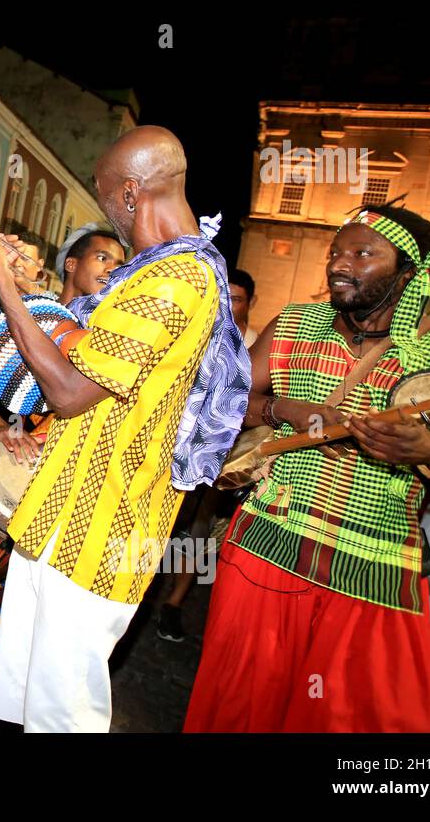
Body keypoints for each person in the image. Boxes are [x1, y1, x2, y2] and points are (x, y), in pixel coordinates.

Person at [184, 204, 430, 732]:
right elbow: (219, 401)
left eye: (363, 254)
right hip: (267, 546)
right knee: (239, 707)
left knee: (356, 721)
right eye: (336, 252)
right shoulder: (295, 322)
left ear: (409, 271)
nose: (340, 264)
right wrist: (281, 411)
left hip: (377, 568)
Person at [0, 126, 249, 732]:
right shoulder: (156, 272)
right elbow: (91, 357)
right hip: (61, 512)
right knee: (20, 700)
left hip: (106, 532)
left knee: (61, 716)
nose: (109, 219)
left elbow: (68, 392)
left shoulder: (178, 280)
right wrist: (32, 288)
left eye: (103, 200)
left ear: (128, 194)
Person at [0, 229, 125, 729]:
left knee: (26, 599)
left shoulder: (104, 328)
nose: (111, 269)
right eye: (101, 257)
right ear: (69, 264)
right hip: (4, 454)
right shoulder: (10, 308)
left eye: (120, 262)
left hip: (60, 485)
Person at [155, 266, 259, 642]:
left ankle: (175, 603)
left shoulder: (258, 346)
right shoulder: (196, 332)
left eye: (238, 298)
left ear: (251, 302)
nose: (228, 304)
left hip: (227, 457)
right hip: (179, 446)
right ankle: (143, 594)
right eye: (223, 295)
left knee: (201, 530)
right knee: (164, 526)